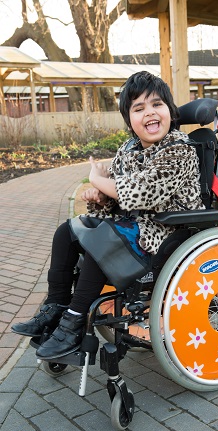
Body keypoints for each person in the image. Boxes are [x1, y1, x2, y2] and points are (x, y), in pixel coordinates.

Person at [11, 71, 204, 360]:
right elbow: (117, 200)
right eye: (139, 108)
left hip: (168, 234)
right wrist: (99, 198)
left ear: (170, 111)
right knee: (68, 231)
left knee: (101, 245)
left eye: (156, 104)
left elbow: (144, 193)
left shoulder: (180, 149)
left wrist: (96, 180)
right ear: (130, 121)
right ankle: (55, 309)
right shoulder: (127, 151)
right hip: (133, 227)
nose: (149, 113)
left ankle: (73, 325)